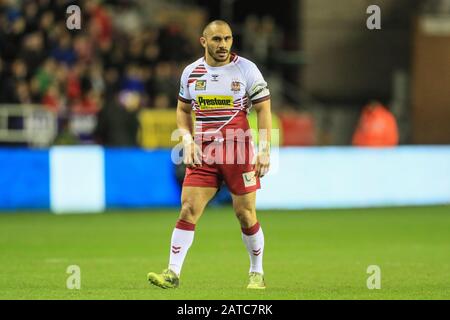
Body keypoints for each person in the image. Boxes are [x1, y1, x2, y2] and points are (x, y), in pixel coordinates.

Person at [147, 20, 272, 290]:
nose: (223, 45)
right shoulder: (191, 73)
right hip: (204, 153)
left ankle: (256, 272)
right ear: (204, 41)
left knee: (245, 214)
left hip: (238, 152)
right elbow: (182, 110)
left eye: (227, 39)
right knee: (188, 209)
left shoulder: (246, 69)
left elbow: (263, 109)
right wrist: (188, 140)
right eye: (216, 39)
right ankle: (172, 272)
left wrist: (264, 150)